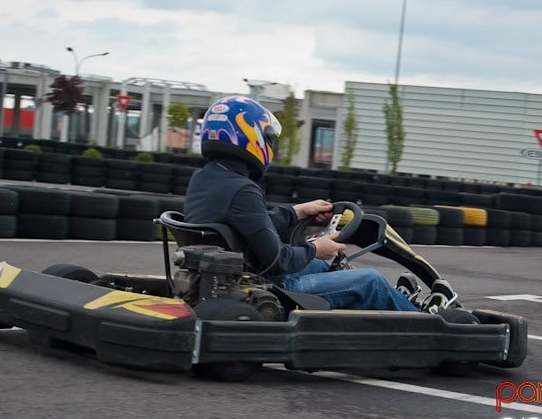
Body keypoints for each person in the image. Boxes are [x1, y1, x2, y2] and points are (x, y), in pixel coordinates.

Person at [183, 95, 453, 311]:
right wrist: (316, 248)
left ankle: (391, 305)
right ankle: (421, 320)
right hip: (269, 284)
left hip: (232, 274)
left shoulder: (206, 179)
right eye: (267, 138)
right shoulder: (244, 189)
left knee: (326, 268)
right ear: (247, 136)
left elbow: (248, 225)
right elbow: (277, 260)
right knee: (371, 280)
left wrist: (299, 211)